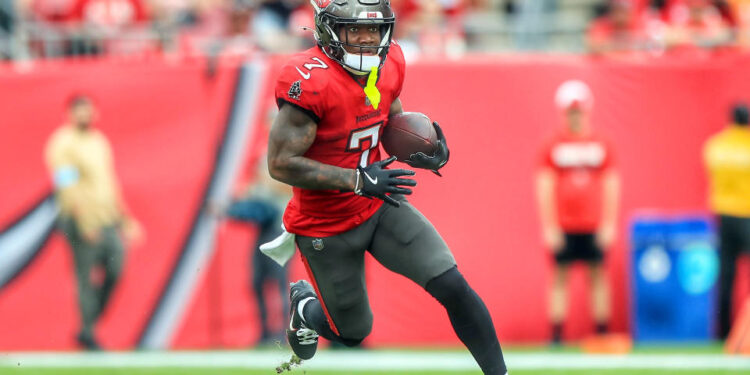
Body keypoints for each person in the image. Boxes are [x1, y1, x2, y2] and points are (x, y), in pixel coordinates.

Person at [265, 0, 508, 373]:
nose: (367, 40)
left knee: (452, 284)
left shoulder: (390, 61)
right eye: (355, 30)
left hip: (377, 206)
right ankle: (305, 307)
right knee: (352, 332)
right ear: (330, 32)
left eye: (374, 31)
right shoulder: (310, 79)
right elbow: (280, 164)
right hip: (325, 224)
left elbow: (389, 116)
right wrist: (356, 179)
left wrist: (420, 149)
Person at [44, 94, 142, 350]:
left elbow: (109, 184)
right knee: (85, 278)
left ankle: (87, 325)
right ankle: (88, 331)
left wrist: (125, 218)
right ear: (69, 113)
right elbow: (66, 185)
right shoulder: (63, 142)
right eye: (79, 111)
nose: (85, 115)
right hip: (81, 219)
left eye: (88, 110)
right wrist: (83, 221)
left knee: (116, 268)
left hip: (107, 218)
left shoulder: (99, 141)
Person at [535, 80, 620, 345]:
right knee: (559, 276)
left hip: (593, 223)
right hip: (565, 224)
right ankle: (557, 334)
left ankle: (602, 331)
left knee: (598, 275)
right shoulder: (553, 144)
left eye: (579, 111)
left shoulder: (601, 143)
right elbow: (544, 186)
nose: (575, 116)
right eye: (571, 111)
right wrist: (550, 226)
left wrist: (608, 223)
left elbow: (611, 184)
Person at [210, 152, 292, 346]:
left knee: (279, 283)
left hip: (281, 226)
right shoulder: (267, 154)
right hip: (266, 227)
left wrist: (261, 187)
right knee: (259, 281)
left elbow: (285, 187)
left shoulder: (288, 154)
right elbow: (256, 194)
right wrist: (232, 204)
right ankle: (266, 333)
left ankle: (283, 334)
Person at [703, 103, 750, 340]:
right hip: (747, 213)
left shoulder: (716, 146)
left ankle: (723, 331)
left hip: (723, 215)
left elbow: (711, 171)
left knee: (726, 275)